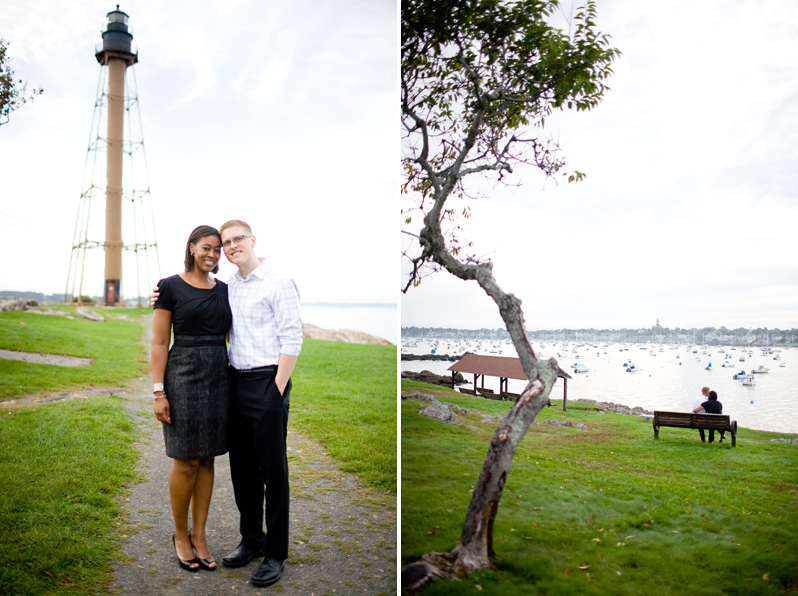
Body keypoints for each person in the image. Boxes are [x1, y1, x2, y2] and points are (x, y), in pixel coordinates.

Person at [151, 219, 302, 587]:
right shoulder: (227, 285)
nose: (225, 249)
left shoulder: (277, 282)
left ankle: (275, 552)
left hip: (266, 384)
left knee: (272, 473)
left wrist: (277, 389)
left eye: (233, 242)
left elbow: (292, 337)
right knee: (242, 472)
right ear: (194, 248)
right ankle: (250, 540)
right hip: (229, 381)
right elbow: (172, 318)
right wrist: (160, 296)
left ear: (252, 241)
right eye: (220, 244)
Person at [151, 225, 233, 572]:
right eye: (207, 248)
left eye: (218, 249)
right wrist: (159, 391)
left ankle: (200, 535)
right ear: (192, 248)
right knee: (185, 459)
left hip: (219, 375)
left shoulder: (227, 290)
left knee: (209, 459)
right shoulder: (169, 287)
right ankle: (180, 535)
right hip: (183, 375)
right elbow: (158, 342)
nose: (213, 255)